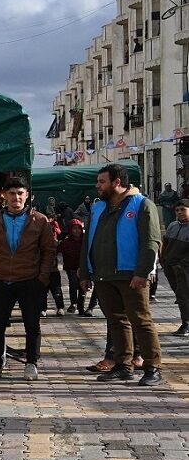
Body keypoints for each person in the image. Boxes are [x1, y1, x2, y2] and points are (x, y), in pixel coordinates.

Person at [80, 163, 163, 386]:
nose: (97, 186)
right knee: (116, 321)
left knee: (141, 320)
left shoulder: (142, 205)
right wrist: (85, 272)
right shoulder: (98, 207)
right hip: (103, 275)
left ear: (117, 182)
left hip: (131, 275)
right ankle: (123, 366)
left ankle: (152, 367)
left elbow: (151, 242)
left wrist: (143, 272)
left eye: (102, 182)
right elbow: (88, 242)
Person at [0, 175, 57, 382]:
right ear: (4, 196)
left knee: (32, 324)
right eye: (12, 194)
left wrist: (42, 278)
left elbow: (49, 251)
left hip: (30, 280)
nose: (16, 198)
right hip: (1, 280)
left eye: (20, 193)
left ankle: (31, 363)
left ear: (27, 195)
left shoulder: (39, 220)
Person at [160, 200, 189, 336]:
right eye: (177, 210)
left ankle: (186, 324)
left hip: (184, 268)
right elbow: (165, 244)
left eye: (183, 209)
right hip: (170, 268)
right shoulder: (172, 226)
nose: (180, 213)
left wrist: (182, 264)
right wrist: (163, 260)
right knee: (179, 294)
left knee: (184, 295)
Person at [58, 219, 88, 315]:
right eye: (74, 229)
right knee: (73, 283)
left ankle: (81, 306)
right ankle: (73, 303)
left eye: (79, 228)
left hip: (83, 267)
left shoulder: (84, 241)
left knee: (83, 285)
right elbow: (57, 249)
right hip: (70, 267)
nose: (77, 231)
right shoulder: (66, 242)